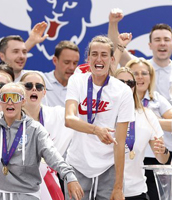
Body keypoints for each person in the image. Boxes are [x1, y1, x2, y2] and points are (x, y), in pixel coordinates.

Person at [0, 77, 83, 199]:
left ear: (23, 101)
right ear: (0, 101)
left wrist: (69, 176)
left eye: (15, 97)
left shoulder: (35, 129)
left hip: (26, 194)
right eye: (5, 97)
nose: (10, 102)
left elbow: (52, 155)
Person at [64, 36, 134, 200]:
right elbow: (69, 119)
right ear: (88, 58)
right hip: (77, 164)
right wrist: (96, 130)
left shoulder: (122, 91)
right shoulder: (77, 81)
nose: (99, 59)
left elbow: (120, 142)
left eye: (104, 54)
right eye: (94, 54)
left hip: (108, 168)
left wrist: (118, 187)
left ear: (111, 59)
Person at [114, 67, 169, 199]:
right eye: (121, 82)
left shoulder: (147, 115)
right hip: (105, 190)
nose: (126, 87)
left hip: (135, 191)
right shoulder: (102, 113)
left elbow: (163, 159)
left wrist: (163, 151)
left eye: (130, 83)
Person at [20, 71, 75, 199]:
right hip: (21, 182)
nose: (34, 88)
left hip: (49, 179)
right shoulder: (11, 117)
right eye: (28, 86)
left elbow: (82, 112)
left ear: (44, 92)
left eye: (39, 87)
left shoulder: (57, 115)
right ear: (20, 91)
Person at [42, 41, 80, 107]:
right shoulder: (41, 80)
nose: (72, 67)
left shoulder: (81, 86)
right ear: (55, 61)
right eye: (67, 62)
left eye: (75, 63)